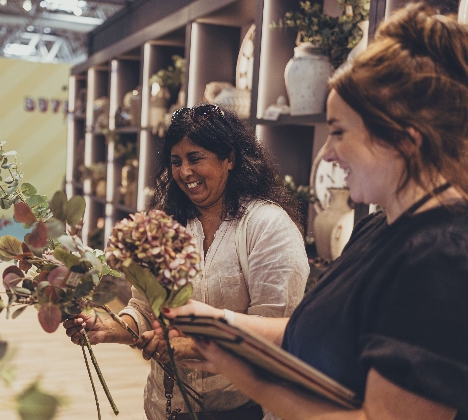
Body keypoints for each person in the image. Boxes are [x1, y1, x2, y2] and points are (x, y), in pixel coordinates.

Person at [157, 4, 468, 419]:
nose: (327, 152)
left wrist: (242, 373)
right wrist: (217, 324)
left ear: (402, 141)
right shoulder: (379, 229)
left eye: (338, 131)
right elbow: (315, 334)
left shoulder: (441, 257)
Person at [64, 105, 309, 419]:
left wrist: (194, 346)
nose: (184, 172)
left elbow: (275, 333)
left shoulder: (268, 227)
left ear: (230, 158)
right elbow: (144, 308)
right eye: (176, 162)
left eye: (196, 158)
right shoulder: (168, 224)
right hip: (169, 405)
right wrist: (108, 329)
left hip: (244, 406)